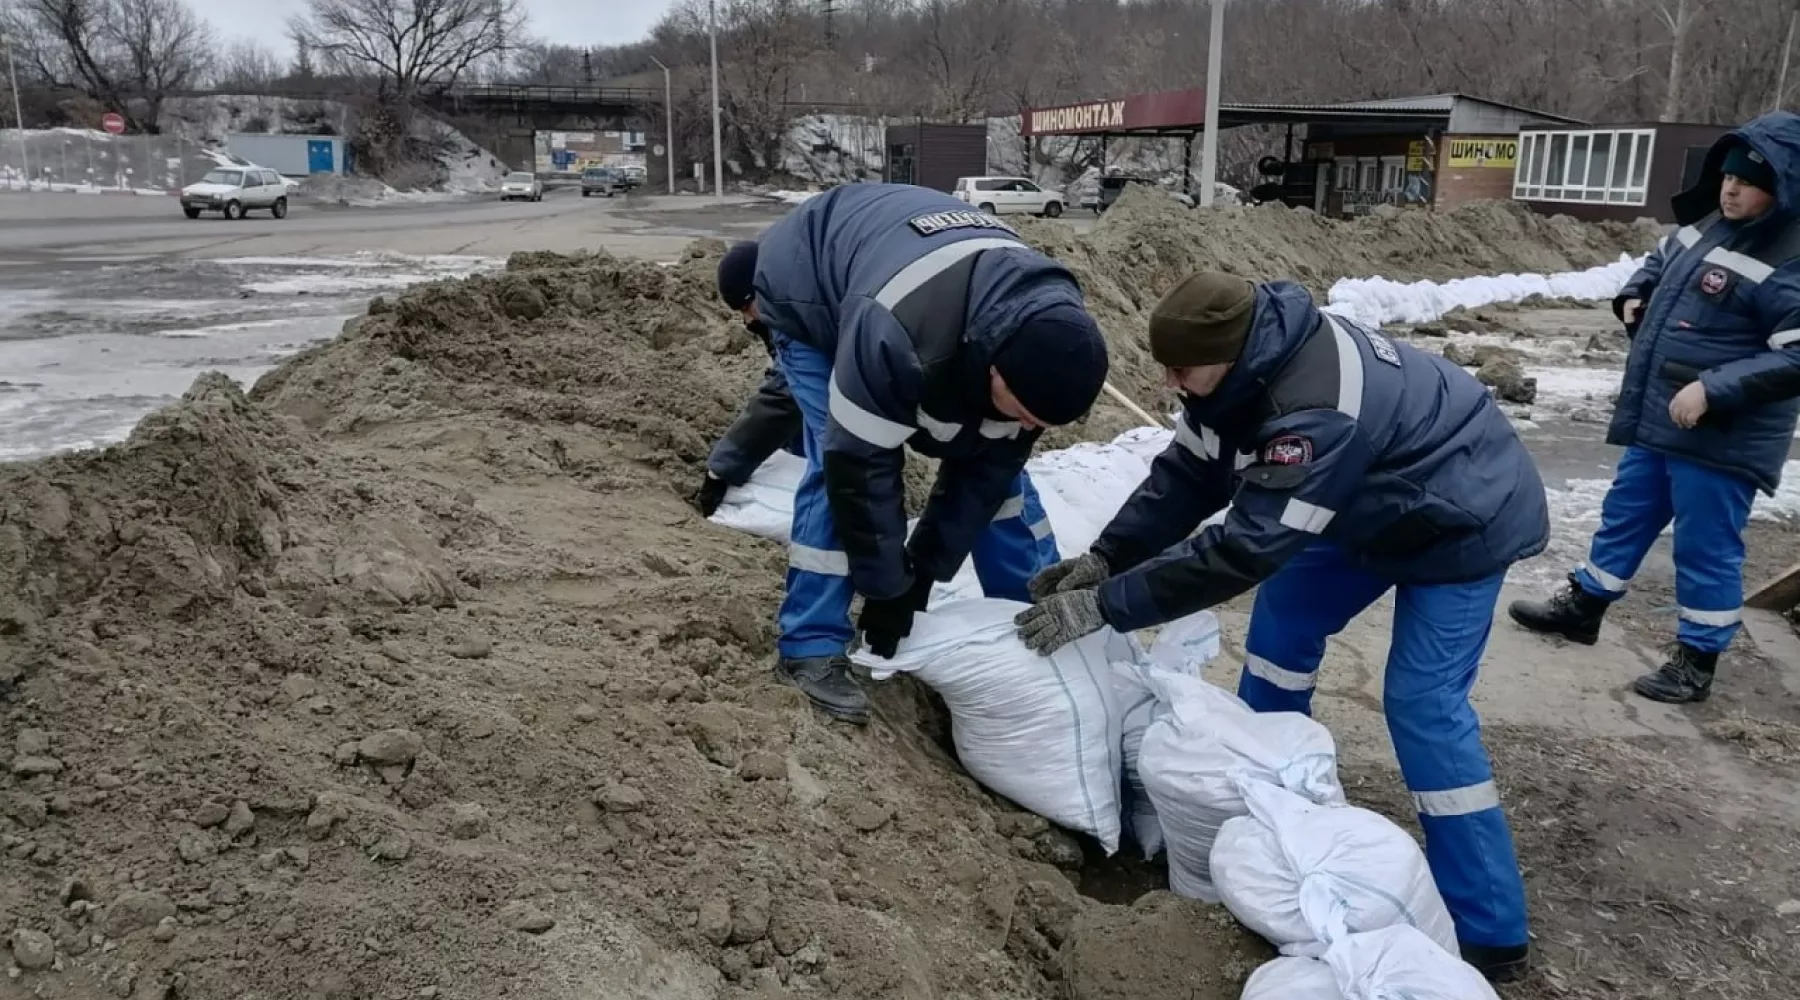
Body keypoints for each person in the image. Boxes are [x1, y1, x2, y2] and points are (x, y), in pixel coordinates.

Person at [1016, 270, 1547, 984]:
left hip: (1461, 514)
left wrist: (1105, 605)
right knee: (1277, 642)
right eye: (1164, 367)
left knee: (1422, 705)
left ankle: (1490, 926)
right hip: (1360, 502)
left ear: (1232, 356)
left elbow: (1243, 549)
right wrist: (1107, 557)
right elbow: (1185, 477)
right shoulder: (1231, 375)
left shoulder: (1313, 410)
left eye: (1183, 370)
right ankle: (1272, 820)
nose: (1172, 383)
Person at [750, 182, 1110, 725]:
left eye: (1042, 422)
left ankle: (1020, 609)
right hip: (811, 283)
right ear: (994, 368)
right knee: (834, 467)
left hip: (907, 267)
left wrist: (921, 574)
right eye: (1027, 413)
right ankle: (810, 648)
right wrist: (886, 584)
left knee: (1001, 480)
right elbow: (862, 466)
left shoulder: (1050, 333)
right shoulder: (894, 335)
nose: (1031, 427)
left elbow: (984, 475)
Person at [1510, 111, 1800, 703]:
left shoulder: (1791, 256)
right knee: (1626, 512)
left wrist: (1713, 390)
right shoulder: (1707, 226)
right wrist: (1632, 296)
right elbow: (1656, 264)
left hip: (1722, 436)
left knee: (1706, 546)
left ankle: (1697, 661)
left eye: (1749, 181)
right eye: (1727, 176)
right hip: (1662, 416)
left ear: (1786, 185)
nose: (1731, 188)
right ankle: (1584, 608)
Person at [689, 242, 805, 517]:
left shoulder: (806, 306)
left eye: (746, 306)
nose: (746, 319)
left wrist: (721, 469)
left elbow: (787, 391)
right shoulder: (793, 282)